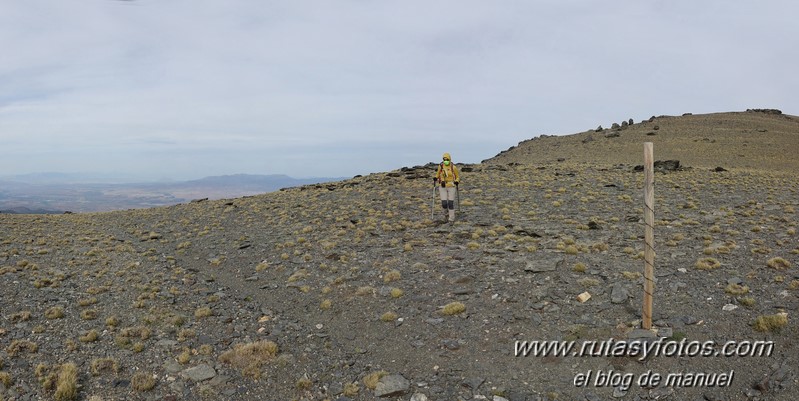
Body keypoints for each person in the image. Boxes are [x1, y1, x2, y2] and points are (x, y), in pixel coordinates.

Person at [434, 152, 460, 222]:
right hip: (442, 186)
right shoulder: (441, 166)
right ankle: (446, 216)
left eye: (447, 159)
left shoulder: (453, 167)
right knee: (444, 203)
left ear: (449, 159)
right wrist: (435, 178)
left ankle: (451, 218)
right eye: (444, 160)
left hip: (451, 186)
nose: (446, 161)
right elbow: (437, 174)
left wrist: (457, 181)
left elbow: (457, 177)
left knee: (450, 203)